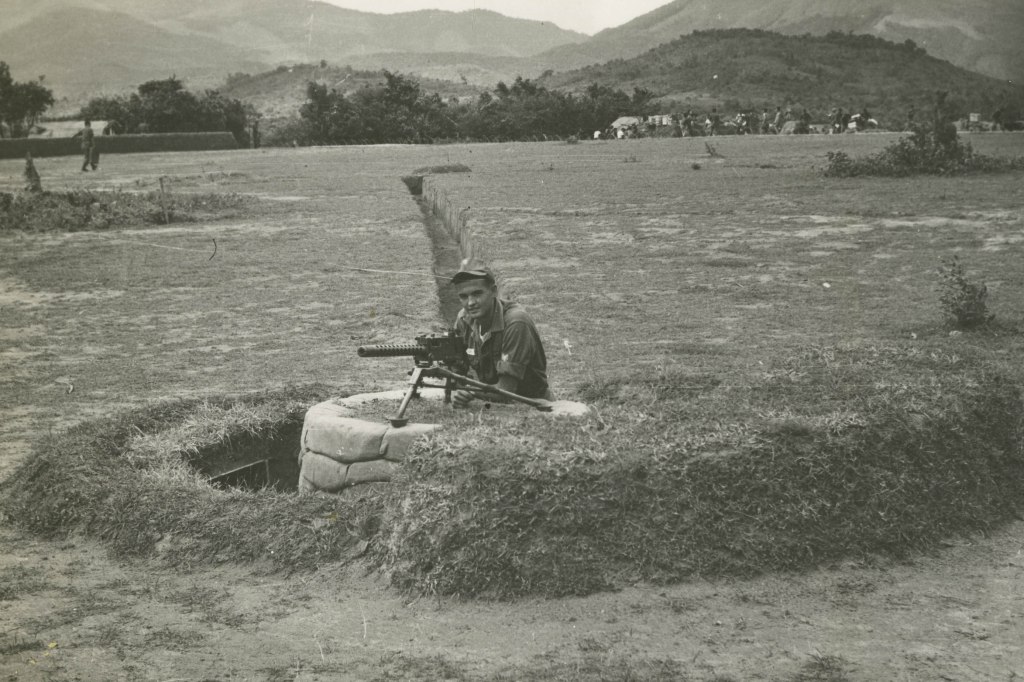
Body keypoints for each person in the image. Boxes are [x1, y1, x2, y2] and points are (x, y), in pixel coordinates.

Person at [450, 263, 552, 408]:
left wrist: (470, 392)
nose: (470, 303)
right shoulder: (464, 319)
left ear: (494, 291)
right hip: (492, 401)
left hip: (532, 404)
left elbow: (506, 391)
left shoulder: (516, 322)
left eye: (477, 294)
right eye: (463, 296)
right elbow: (456, 371)